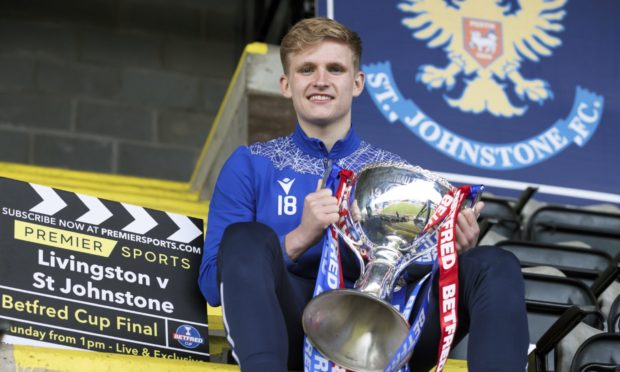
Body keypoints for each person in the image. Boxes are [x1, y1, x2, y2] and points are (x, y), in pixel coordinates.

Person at [198, 17, 528, 372]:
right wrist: (298, 238)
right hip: (289, 331)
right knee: (245, 237)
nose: (321, 80)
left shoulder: (395, 174)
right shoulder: (251, 164)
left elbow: (417, 275)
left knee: (495, 264)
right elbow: (210, 283)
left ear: (357, 83)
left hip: (382, 337)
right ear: (286, 84)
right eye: (307, 69)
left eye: (335, 69)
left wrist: (450, 252)